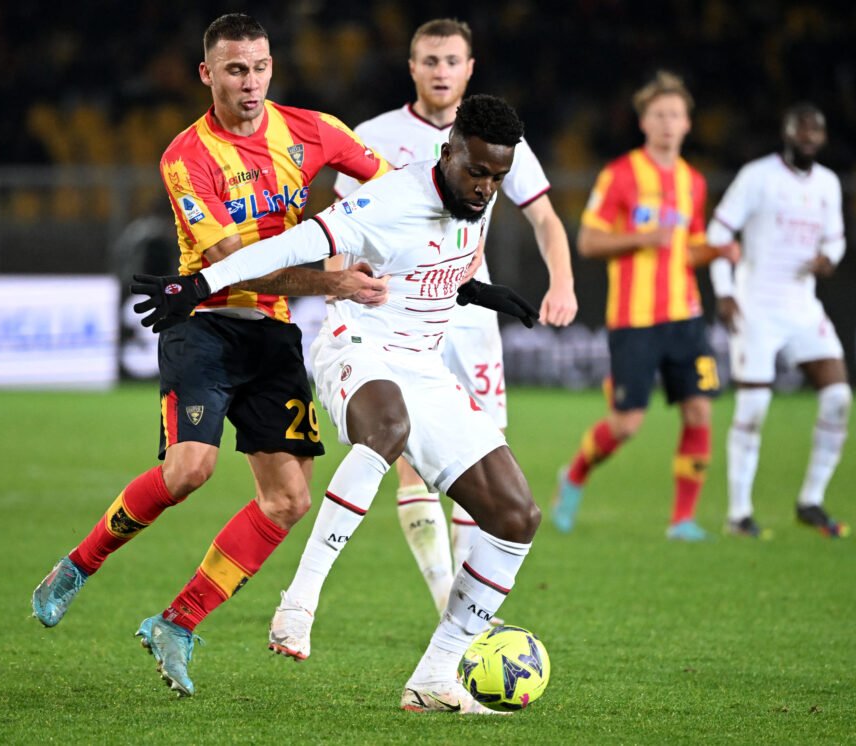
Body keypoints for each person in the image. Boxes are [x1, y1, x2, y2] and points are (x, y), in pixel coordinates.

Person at [134, 94, 551, 714]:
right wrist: (200, 282)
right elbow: (290, 246)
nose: (487, 187)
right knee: (387, 426)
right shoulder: (389, 199)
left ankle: (435, 679)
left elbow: (433, 267)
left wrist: (483, 293)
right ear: (449, 151)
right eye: (478, 172)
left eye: (497, 177)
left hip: (424, 368)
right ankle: (298, 603)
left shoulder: (474, 198)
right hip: (355, 345)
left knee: (517, 517)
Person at [31, 13, 394, 697]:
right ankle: (78, 565)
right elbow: (236, 266)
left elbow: (396, 188)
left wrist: (382, 232)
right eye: (234, 69)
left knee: (288, 499)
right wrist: (338, 279)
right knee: (190, 469)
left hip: (274, 333)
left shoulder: (315, 130)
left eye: (259, 67)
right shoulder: (186, 157)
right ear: (207, 74)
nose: (249, 82)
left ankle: (180, 621)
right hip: (204, 323)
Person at [330, 18, 577, 617]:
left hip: (468, 306)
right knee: (411, 457)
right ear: (412, 67)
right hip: (396, 309)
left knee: (480, 452)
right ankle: (450, 604)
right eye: (430, 60)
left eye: (452, 61)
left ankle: (467, 606)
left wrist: (562, 281)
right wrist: (341, 288)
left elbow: (544, 217)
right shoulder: (375, 135)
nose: (441, 71)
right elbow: (343, 222)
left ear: (470, 68)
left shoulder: (495, 137)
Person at [550, 71, 739, 541]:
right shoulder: (620, 175)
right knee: (627, 423)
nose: (668, 123)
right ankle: (574, 475)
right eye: (660, 115)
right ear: (643, 122)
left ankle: (683, 520)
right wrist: (641, 237)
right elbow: (589, 241)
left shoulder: (693, 183)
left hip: (687, 317)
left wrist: (717, 251)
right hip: (634, 321)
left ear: (688, 124)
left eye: (676, 115)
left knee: (700, 411)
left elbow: (690, 249)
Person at [708, 103, 850, 539]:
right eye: (801, 128)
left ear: (823, 138)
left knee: (839, 398)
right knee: (754, 406)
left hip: (803, 307)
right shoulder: (757, 176)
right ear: (786, 132)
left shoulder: (828, 184)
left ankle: (810, 500)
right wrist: (726, 290)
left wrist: (830, 258)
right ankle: (739, 513)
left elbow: (837, 238)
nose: (808, 135)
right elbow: (718, 234)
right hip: (757, 307)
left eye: (816, 130)